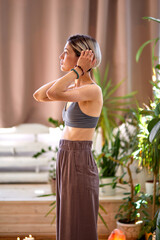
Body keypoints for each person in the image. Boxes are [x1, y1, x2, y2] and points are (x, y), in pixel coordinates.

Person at [33, 34, 103, 240]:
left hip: (79, 158)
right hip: (66, 157)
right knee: (68, 218)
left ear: (82, 58)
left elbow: (53, 93)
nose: (61, 56)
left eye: (66, 52)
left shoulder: (92, 90)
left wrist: (79, 70)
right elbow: (39, 95)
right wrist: (76, 72)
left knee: (80, 220)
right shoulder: (76, 88)